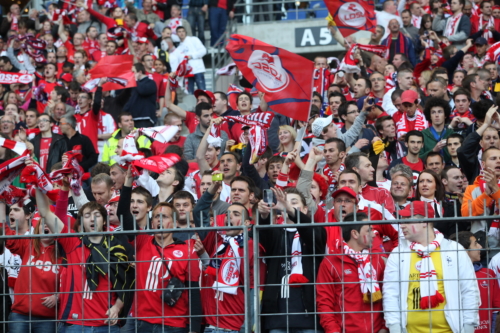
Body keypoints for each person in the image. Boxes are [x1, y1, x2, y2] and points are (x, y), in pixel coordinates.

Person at [34, 181, 134, 331]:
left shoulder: (116, 248)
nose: (92, 219)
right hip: (74, 325)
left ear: (104, 220)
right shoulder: (72, 241)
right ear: (82, 221)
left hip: (106, 324)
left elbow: (125, 283)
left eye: (97, 215)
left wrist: (116, 307)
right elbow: (45, 212)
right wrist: (37, 181)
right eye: (87, 216)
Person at [383, 201, 480, 333]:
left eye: (407, 220)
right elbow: (390, 294)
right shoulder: (398, 254)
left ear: (425, 222)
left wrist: (469, 326)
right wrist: (394, 328)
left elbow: (469, 290)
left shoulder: (453, 249)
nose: (402, 226)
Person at [257, 186, 326, 333]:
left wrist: (290, 209)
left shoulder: (317, 230)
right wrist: (263, 216)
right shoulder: (276, 232)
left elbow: (311, 233)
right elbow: (264, 235)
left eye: (293, 202)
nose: (287, 205)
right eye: (284, 202)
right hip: (278, 318)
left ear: (305, 209)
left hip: (309, 316)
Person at [317, 212, 385, 333]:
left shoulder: (378, 260)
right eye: (368, 230)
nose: (374, 235)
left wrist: (384, 328)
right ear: (355, 233)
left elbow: (388, 295)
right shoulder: (331, 262)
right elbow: (324, 301)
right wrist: (333, 330)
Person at [5, 218, 60, 333]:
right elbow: (7, 234)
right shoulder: (27, 244)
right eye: (43, 224)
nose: (46, 226)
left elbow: (72, 281)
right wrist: (2, 203)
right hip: (20, 315)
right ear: (37, 229)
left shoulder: (64, 253)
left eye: (49, 224)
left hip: (48, 319)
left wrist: (58, 296)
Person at [450, 231, 500, 333]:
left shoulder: (489, 274)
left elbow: (496, 309)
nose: (480, 247)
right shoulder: (447, 277)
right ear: (463, 250)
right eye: (475, 244)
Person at [462, 147, 500, 252]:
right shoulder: (472, 189)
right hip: (479, 245)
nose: (498, 161)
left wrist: (496, 190)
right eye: (493, 158)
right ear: (483, 165)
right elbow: (466, 215)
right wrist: (486, 194)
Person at [170, 26, 207, 93]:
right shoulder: (179, 48)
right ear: (177, 34)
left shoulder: (194, 39)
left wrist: (191, 56)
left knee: (203, 92)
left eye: (183, 31)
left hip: (198, 69)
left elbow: (203, 51)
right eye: (179, 32)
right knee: (189, 94)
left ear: (185, 32)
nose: (181, 33)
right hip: (187, 73)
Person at [123, 63, 157, 128]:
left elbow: (143, 91)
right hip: (132, 119)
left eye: (133, 72)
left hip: (145, 118)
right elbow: (130, 101)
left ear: (140, 72)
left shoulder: (150, 82)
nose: (131, 74)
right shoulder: (134, 84)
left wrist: (135, 80)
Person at [420, 97, 453, 162]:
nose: (436, 115)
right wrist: (434, 150)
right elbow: (418, 159)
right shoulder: (422, 135)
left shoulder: (451, 134)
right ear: (430, 116)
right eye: (433, 112)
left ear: (445, 115)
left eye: (440, 112)